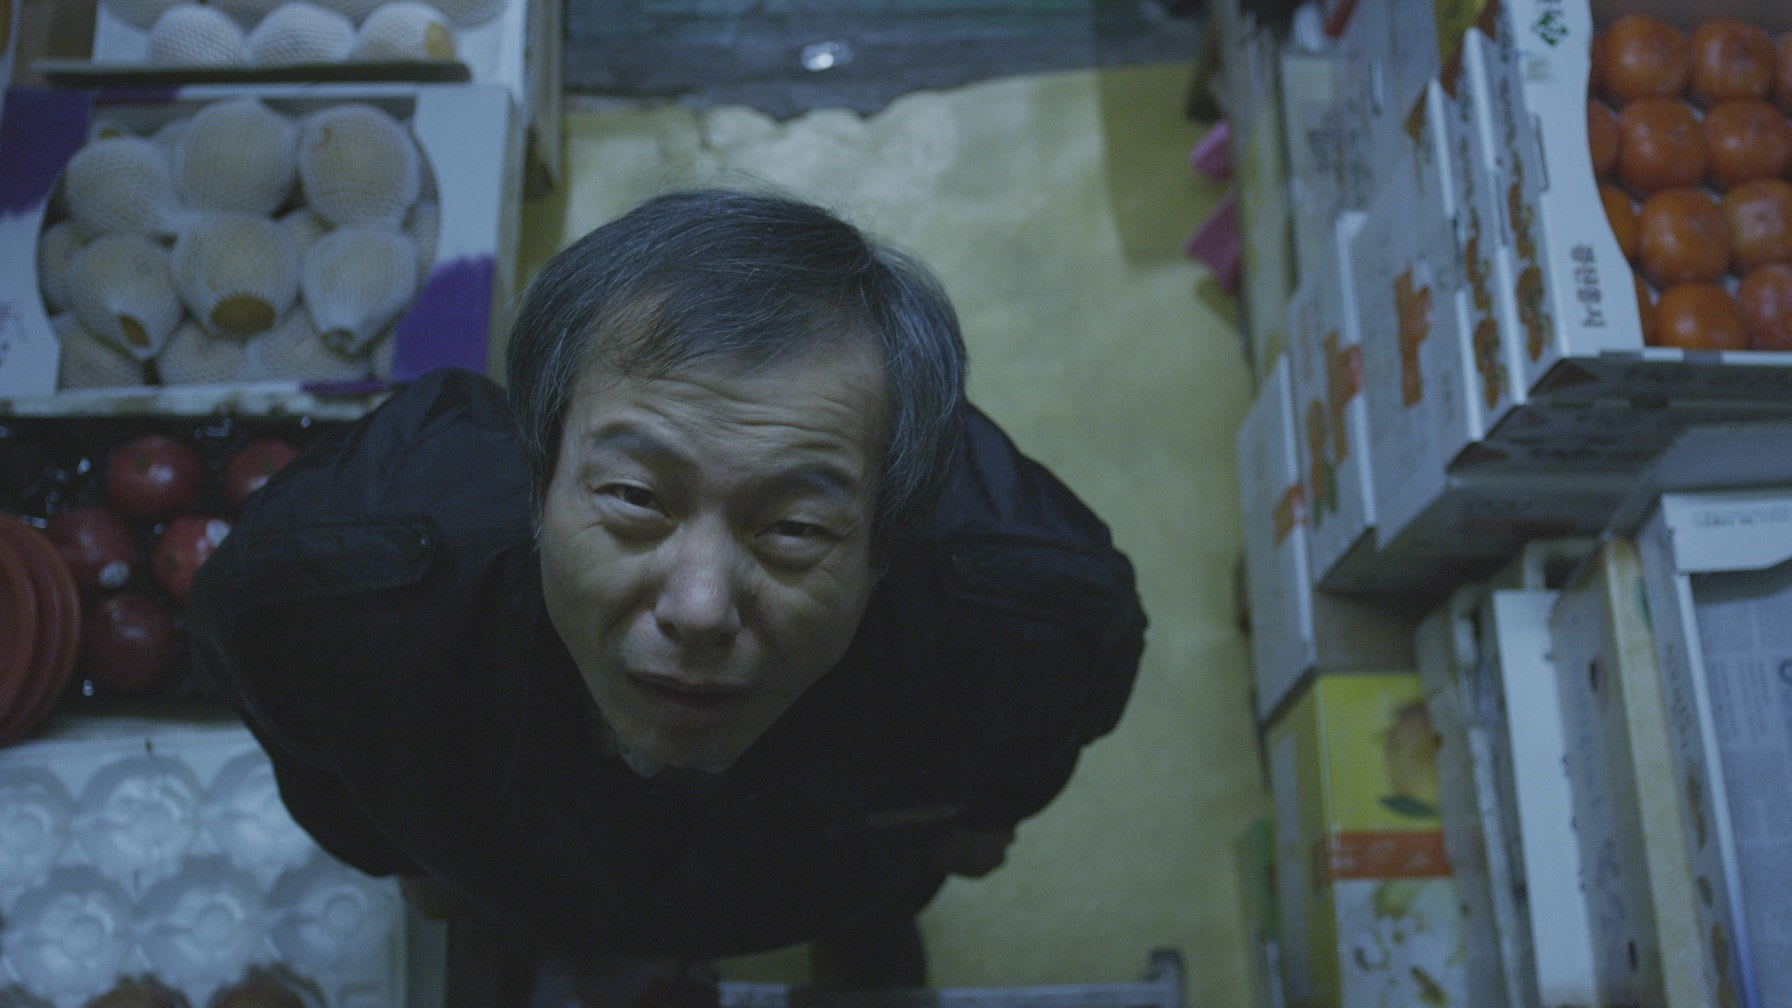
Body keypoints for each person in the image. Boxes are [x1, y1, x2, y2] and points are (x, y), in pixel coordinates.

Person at [187, 190, 1147, 1004]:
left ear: (889, 542)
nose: (699, 609)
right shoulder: (338, 591)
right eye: (636, 499)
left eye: (793, 529)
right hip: (515, 869)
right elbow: (282, 703)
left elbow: (1069, 699)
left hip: (837, 873)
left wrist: (983, 820)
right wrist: (396, 856)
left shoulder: (1022, 613)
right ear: (538, 475)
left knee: (867, 917)